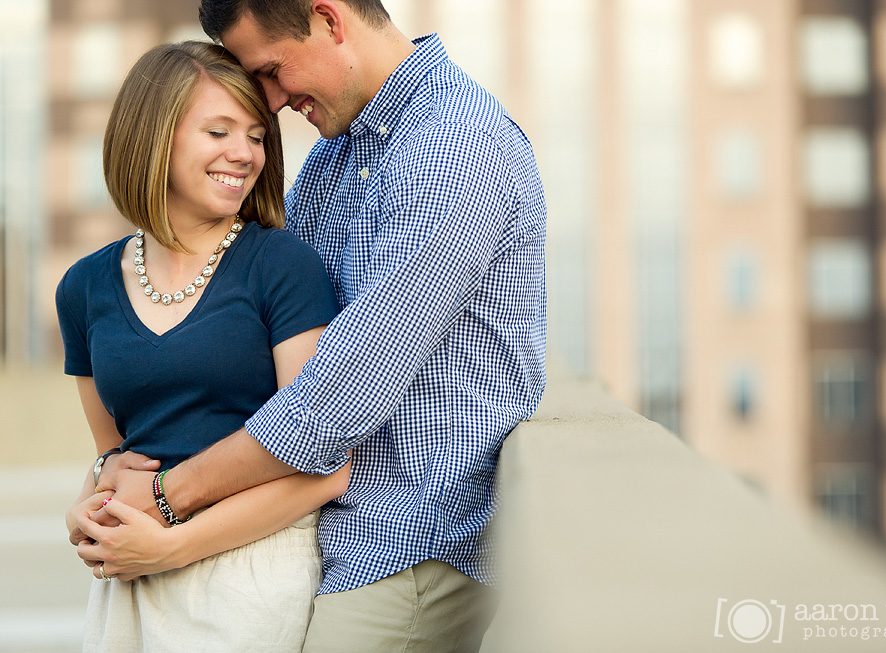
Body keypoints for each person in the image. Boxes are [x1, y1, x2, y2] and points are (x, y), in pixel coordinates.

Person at [80, 1, 548, 650]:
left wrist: (163, 497)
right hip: (321, 532)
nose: (268, 103)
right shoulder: (338, 155)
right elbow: (253, 344)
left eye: (272, 71)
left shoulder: (452, 146)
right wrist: (109, 482)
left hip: (409, 541)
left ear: (329, 19)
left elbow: (334, 400)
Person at [57, 40, 350, 652]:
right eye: (218, 131)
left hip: (250, 572)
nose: (243, 154)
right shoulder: (84, 287)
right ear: (154, 137)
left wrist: (172, 546)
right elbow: (117, 458)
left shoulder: (284, 268)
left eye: (256, 135)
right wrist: (85, 508)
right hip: (130, 581)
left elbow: (324, 471)